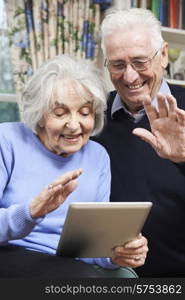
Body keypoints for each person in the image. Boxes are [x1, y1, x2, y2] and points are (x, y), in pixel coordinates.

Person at [0, 54, 148, 278]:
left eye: (84, 112)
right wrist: (30, 212)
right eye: (60, 113)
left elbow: (94, 245)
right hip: (11, 252)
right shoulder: (7, 140)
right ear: (39, 115)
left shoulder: (98, 156)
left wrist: (116, 253)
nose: (74, 124)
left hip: (70, 262)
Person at [92, 8, 185, 277]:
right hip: (111, 275)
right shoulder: (91, 116)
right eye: (118, 65)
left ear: (164, 55)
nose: (130, 77)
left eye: (140, 62)